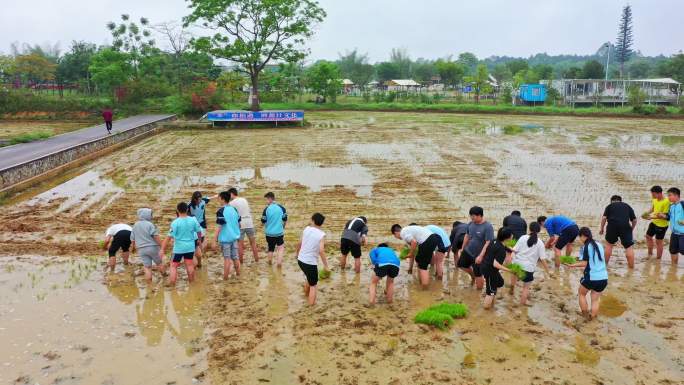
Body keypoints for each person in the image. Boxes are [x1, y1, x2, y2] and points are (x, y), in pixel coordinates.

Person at [564, 227, 608, 321]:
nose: (580, 240)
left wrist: (572, 265)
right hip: (603, 278)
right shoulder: (599, 244)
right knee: (595, 299)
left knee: (581, 293)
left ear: (583, 236)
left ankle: (584, 316)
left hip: (592, 277)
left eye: (580, 237)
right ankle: (592, 318)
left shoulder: (586, 246)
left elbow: (585, 263)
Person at [160, 202, 202, 286]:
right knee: (189, 264)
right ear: (187, 209)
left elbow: (168, 237)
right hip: (190, 247)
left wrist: (162, 249)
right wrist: (199, 240)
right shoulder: (193, 220)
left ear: (177, 210)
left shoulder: (175, 223)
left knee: (173, 265)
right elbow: (199, 231)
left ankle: (172, 283)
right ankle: (192, 282)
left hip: (178, 248)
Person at [510, 222, 550, 306]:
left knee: (514, 275)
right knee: (526, 288)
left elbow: (515, 250)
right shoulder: (540, 243)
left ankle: (512, 289)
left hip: (516, 264)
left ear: (529, 229)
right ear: (539, 231)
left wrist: (508, 247)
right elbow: (543, 259)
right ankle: (522, 305)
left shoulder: (523, 237)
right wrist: (548, 271)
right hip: (528, 268)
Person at [457, 206, 495, 289]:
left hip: (479, 254)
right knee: (461, 265)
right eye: (470, 216)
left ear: (480, 215)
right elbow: (467, 236)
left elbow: (488, 242)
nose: (471, 218)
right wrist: (463, 248)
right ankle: (472, 276)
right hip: (468, 250)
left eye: (473, 216)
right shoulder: (471, 223)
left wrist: (481, 256)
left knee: (478, 274)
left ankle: (478, 293)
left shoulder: (488, 227)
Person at [391, 224, 440, 288]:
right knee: (419, 260)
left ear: (395, 233)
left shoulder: (403, 233)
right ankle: (422, 282)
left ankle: (425, 288)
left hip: (428, 240)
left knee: (422, 266)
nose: (397, 237)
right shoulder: (408, 230)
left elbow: (414, 242)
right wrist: (410, 268)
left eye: (395, 236)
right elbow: (415, 250)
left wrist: (410, 254)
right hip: (434, 238)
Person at [296, 213, 329, 306]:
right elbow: (321, 251)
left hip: (300, 260)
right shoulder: (321, 235)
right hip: (310, 263)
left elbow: (299, 243)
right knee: (313, 286)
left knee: (308, 278)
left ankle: (306, 296)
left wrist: (297, 254)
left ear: (313, 220)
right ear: (321, 223)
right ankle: (311, 308)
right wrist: (326, 266)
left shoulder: (306, 229)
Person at [599, 195, 637, 268]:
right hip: (625, 226)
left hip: (612, 226)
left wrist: (602, 229)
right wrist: (631, 229)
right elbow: (634, 220)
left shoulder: (609, 206)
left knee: (609, 245)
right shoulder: (627, 206)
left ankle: (604, 266)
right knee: (628, 247)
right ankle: (631, 268)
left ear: (612, 201)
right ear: (620, 200)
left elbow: (604, 218)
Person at [481, 227, 513, 309]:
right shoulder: (501, 250)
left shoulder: (494, 241)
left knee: (500, 282)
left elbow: (504, 246)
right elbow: (496, 264)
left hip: (485, 265)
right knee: (491, 292)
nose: (512, 235)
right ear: (507, 237)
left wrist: (513, 250)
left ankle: (491, 293)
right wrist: (509, 270)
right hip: (490, 270)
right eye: (511, 235)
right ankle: (486, 310)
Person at [130, 208, 165, 283]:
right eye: (150, 215)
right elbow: (155, 236)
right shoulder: (150, 224)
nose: (151, 216)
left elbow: (132, 239)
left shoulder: (135, 225)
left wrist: (133, 248)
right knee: (159, 263)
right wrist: (162, 245)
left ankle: (149, 284)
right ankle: (164, 276)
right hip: (153, 247)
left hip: (141, 249)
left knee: (147, 267)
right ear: (147, 215)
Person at [215, 191, 242, 280]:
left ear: (223, 199)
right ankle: (238, 274)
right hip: (234, 238)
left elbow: (219, 226)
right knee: (235, 257)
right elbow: (239, 224)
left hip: (225, 239)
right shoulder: (234, 209)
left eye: (219, 198)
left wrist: (214, 240)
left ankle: (225, 278)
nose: (218, 200)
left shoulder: (221, 211)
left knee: (227, 259)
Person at [228, 188, 259, 263]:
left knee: (240, 245)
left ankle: (241, 262)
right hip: (249, 223)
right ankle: (257, 260)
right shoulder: (244, 200)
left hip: (240, 224)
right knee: (253, 243)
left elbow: (231, 215)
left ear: (232, 194)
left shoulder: (231, 203)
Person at [188, 191, 217, 268]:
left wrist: (219, 196)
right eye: (198, 200)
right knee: (196, 242)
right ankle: (198, 255)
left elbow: (212, 197)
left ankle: (200, 255)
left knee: (201, 241)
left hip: (202, 225)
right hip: (193, 225)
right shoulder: (189, 205)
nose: (199, 201)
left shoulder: (204, 200)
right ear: (194, 199)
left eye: (200, 199)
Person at [261, 192, 288, 267]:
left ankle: (269, 263)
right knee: (281, 248)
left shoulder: (266, 209)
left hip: (269, 233)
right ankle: (279, 263)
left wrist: (266, 227)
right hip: (279, 233)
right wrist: (283, 227)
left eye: (266, 199)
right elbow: (285, 219)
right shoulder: (281, 208)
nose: (266, 201)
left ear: (270, 199)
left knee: (270, 248)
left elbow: (263, 221)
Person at [645, 185, 671, 260]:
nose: (652, 196)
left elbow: (664, 216)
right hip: (654, 222)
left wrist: (651, 217)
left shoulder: (666, 201)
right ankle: (650, 254)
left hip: (662, 225)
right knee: (648, 236)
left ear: (659, 193)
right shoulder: (655, 199)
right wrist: (646, 213)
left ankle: (658, 258)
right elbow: (652, 209)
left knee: (658, 242)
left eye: (653, 194)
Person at [661, 187, 683, 266]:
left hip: (682, 233)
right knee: (673, 251)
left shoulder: (683, 204)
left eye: (670, 195)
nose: (668, 197)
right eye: (668, 195)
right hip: (674, 233)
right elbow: (669, 217)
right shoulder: (671, 206)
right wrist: (662, 216)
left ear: (676, 196)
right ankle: (674, 267)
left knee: (683, 250)